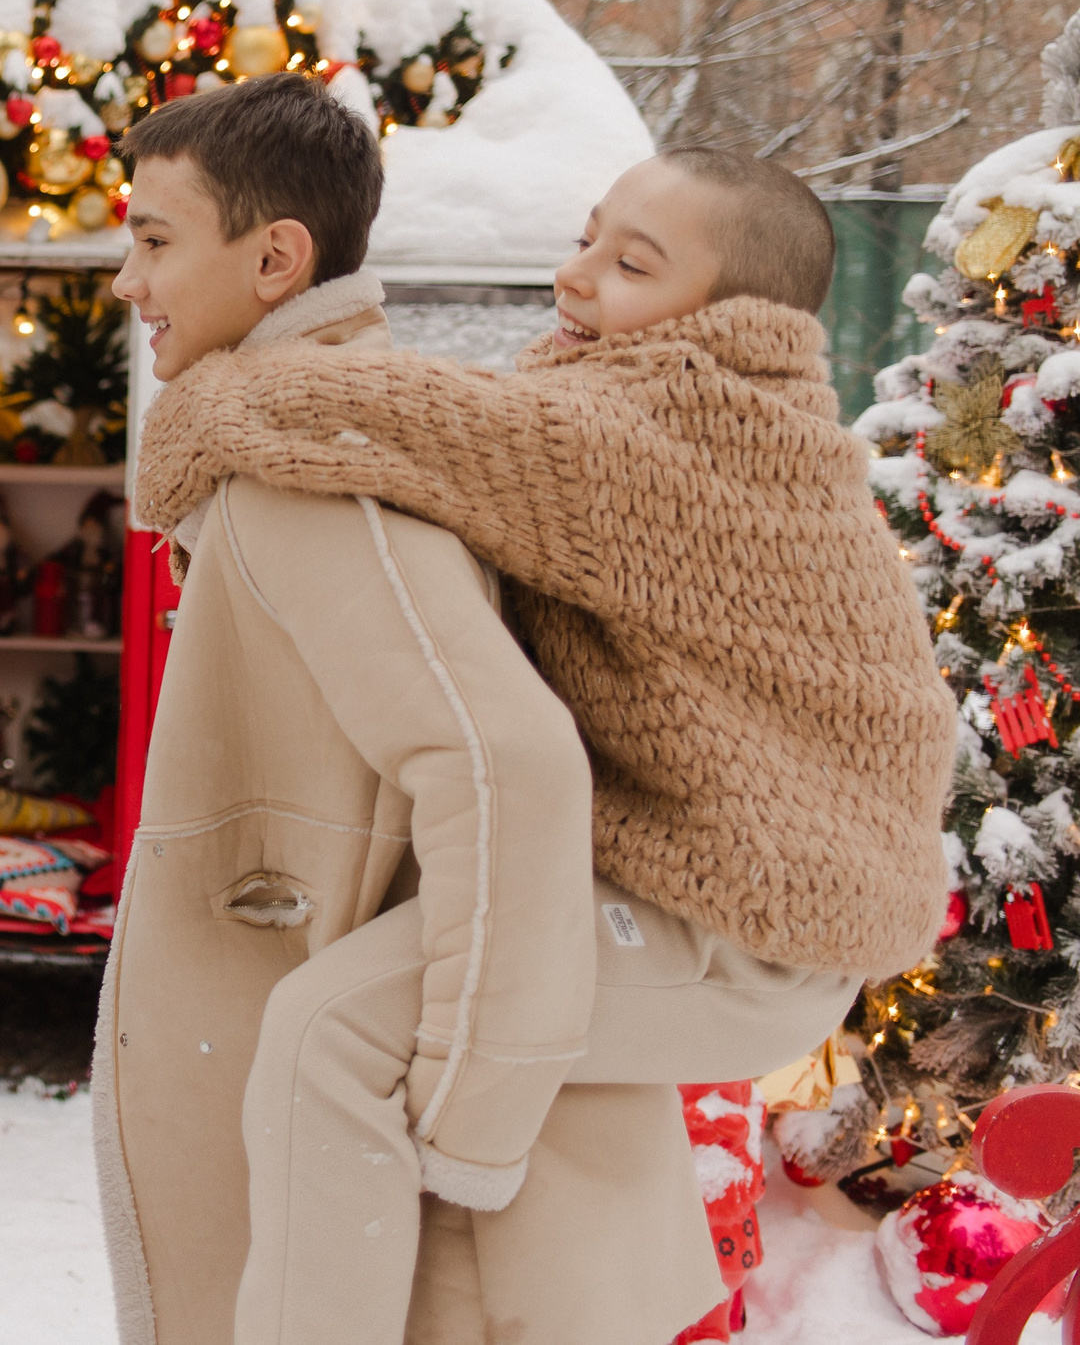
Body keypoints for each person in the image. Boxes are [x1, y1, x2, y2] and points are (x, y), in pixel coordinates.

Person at [124, 129, 955, 1343]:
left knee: (334, 1030)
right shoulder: (695, 421)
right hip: (716, 893)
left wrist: (196, 407)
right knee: (408, 1022)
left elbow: (390, 417)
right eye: (586, 240)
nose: (576, 276)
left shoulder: (670, 435)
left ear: (728, 318)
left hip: (755, 934)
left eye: (632, 265)